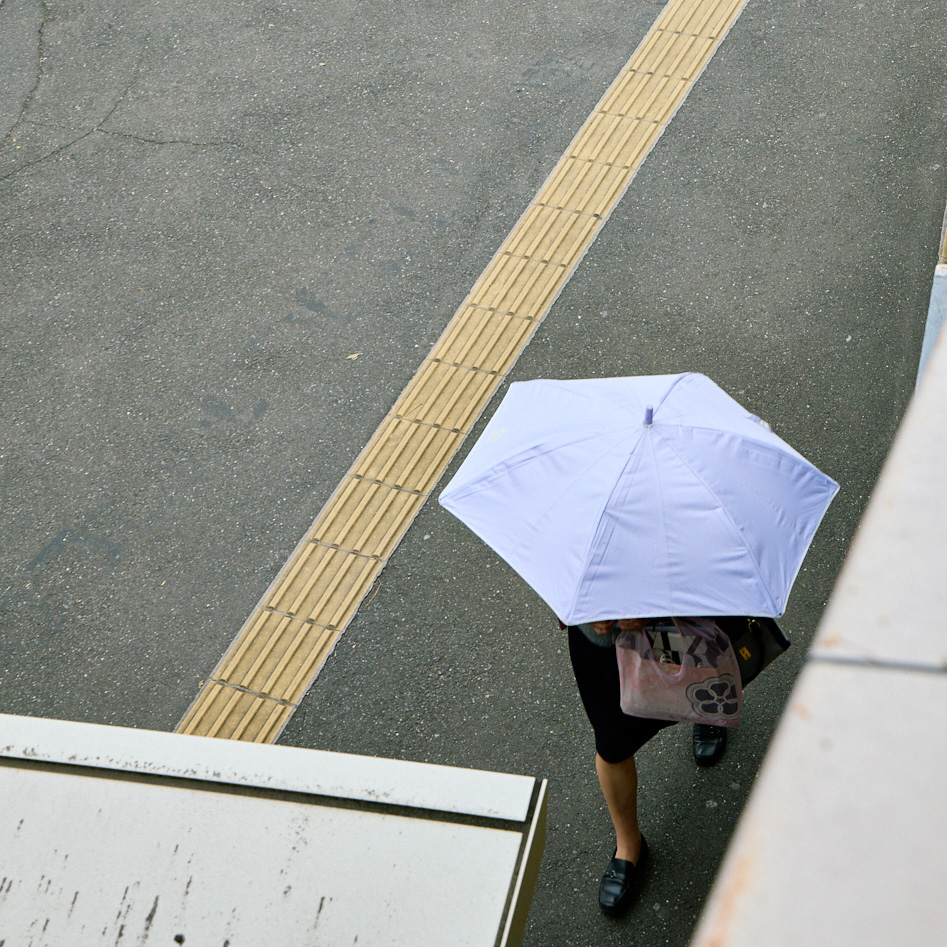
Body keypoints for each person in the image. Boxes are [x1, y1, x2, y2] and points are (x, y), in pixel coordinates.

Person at [567, 616, 729, 916]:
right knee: (611, 743)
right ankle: (628, 845)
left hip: (676, 615)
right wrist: (583, 609)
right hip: (595, 631)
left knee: (697, 682)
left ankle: (705, 713)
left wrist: (650, 609)